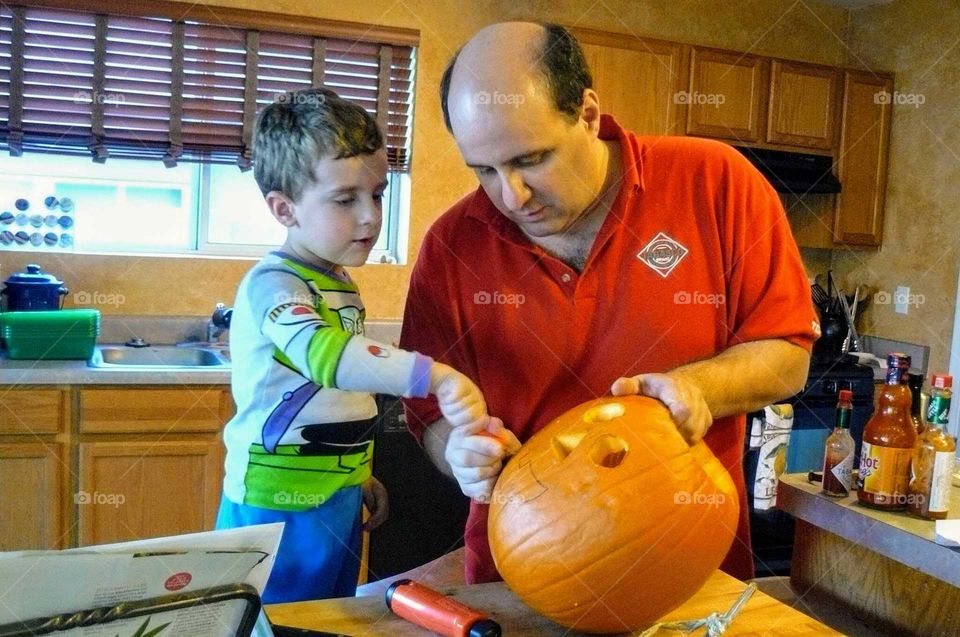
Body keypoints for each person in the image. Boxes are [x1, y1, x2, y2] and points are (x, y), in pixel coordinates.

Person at [400, 23, 819, 583]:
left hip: (690, 570)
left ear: (589, 114)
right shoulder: (453, 246)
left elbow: (787, 351)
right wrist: (458, 452)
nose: (511, 195)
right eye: (484, 170)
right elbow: (426, 410)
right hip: (521, 575)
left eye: (531, 160)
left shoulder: (717, 182)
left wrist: (698, 389)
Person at [216, 87, 506, 603]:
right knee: (270, 621)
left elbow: (334, 402)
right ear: (284, 209)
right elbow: (326, 358)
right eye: (345, 199)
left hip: (335, 494)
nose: (370, 216)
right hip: (272, 499)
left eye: (377, 194)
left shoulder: (338, 281)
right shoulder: (274, 285)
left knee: (330, 613)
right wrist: (433, 375)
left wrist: (356, 473)